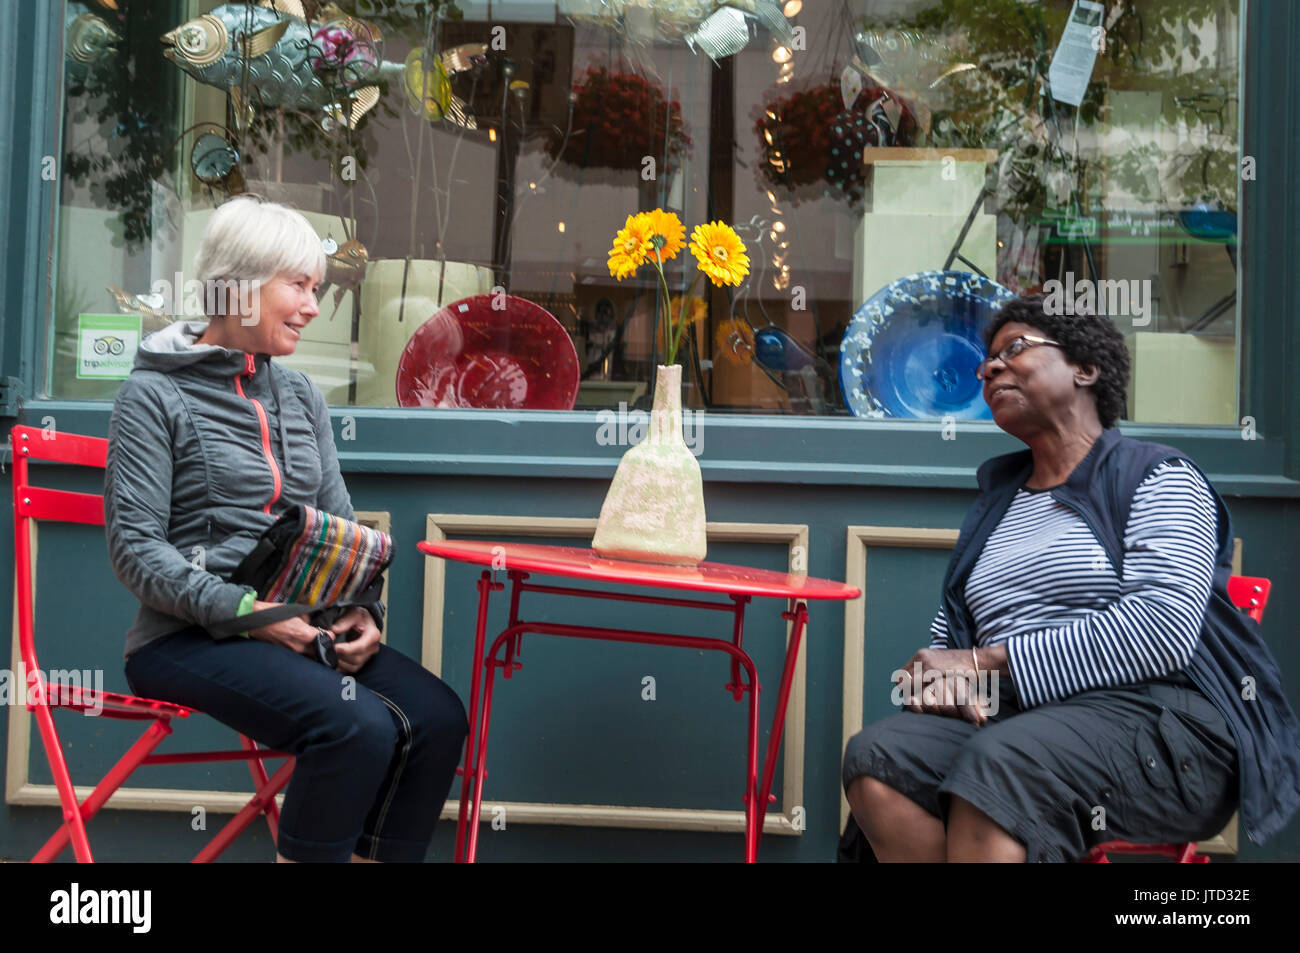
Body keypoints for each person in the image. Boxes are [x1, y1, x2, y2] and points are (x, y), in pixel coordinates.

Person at [840, 293, 1300, 862]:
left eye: (1014, 349)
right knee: (879, 759)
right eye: (987, 361)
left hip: (1161, 722)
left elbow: (1164, 629)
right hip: (1018, 721)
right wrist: (934, 681)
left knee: (1001, 767)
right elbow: (952, 644)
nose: (990, 368)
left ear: (1085, 368)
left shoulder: (1156, 476)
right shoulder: (996, 507)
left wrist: (988, 664)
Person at [106, 196, 469, 863]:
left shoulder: (301, 396)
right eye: (298, 286)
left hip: (298, 629)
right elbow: (135, 549)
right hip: (186, 637)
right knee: (355, 726)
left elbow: (341, 530)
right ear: (239, 285)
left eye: (316, 289)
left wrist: (360, 608)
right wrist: (252, 613)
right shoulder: (151, 397)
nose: (311, 305)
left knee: (437, 718)